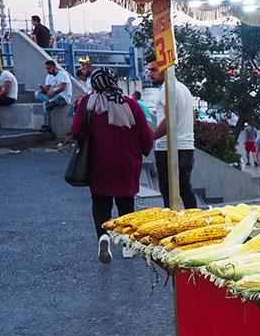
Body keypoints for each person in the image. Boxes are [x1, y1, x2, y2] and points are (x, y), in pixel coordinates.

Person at [70, 68, 153, 263]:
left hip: (99, 164)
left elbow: (75, 131)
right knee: (126, 203)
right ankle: (126, 245)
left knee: (100, 204)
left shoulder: (87, 104)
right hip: (127, 163)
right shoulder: (131, 104)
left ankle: (104, 236)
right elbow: (146, 136)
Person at [145, 53, 197, 209]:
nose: (150, 74)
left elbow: (170, 120)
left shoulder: (166, 89)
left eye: (154, 70)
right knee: (185, 189)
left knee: (168, 192)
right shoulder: (184, 89)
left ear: (165, 69)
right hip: (187, 145)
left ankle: (172, 223)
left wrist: (150, 137)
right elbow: (192, 118)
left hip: (168, 148)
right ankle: (195, 220)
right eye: (149, 70)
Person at [35, 60, 72, 131]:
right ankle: (47, 125)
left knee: (52, 101)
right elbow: (46, 90)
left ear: (54, 67)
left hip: (64, 97)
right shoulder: (48, 77)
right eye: (46, 68)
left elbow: (62, 88)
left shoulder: (63, 74)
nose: (47, 70)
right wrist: (42, 89)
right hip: (54, 97)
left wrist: (53, 92)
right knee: (39, 95)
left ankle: (51, 102)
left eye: (49, 68)